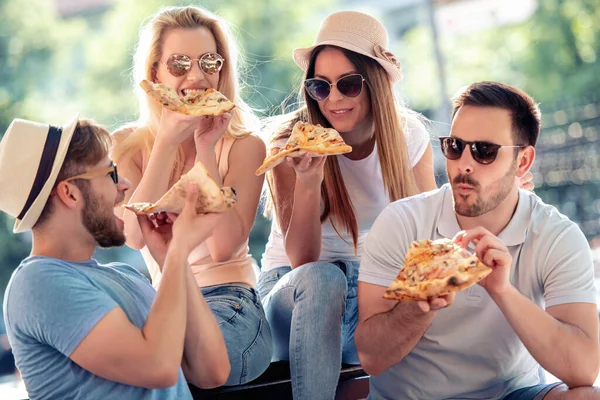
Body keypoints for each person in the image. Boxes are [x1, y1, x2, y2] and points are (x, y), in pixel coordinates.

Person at [355, 81, 600, 400]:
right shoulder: (403, 221)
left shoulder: (555, 235)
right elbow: (371, 359)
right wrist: (421, 305)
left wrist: (502, 290)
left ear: (523, 162)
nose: (463, 164)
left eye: (484, 151)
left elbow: (582, 370)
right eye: (455, 146)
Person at [257, 10, 437, 399]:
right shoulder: (290, 142)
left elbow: (425, 240)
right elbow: (303, 261)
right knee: (326, 278)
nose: (333, 99)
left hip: (368, 288)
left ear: (375, 83)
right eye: (321, 87)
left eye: (349, 84)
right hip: (295, 294)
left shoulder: (409, 137)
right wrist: (309, 181)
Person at [0, 117, 230, 399]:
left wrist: (172, 257)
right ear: (70, 193)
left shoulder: (127, 276)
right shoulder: (36, 285)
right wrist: (181, 246)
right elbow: (158, 367)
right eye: (111, 174)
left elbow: (213, 372)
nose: (125, 185)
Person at [110, 5, 272, 386]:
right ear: (155, 73)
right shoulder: (126, 146)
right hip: (164, 303)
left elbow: (224, 246)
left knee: (170, 369)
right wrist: (167, 143)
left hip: (232, 303)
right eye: (179, 64)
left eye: (209, 62)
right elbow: (134, 236)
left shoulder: (246, 146)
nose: (197, 76)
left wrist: (205, 150)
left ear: (223, 69)